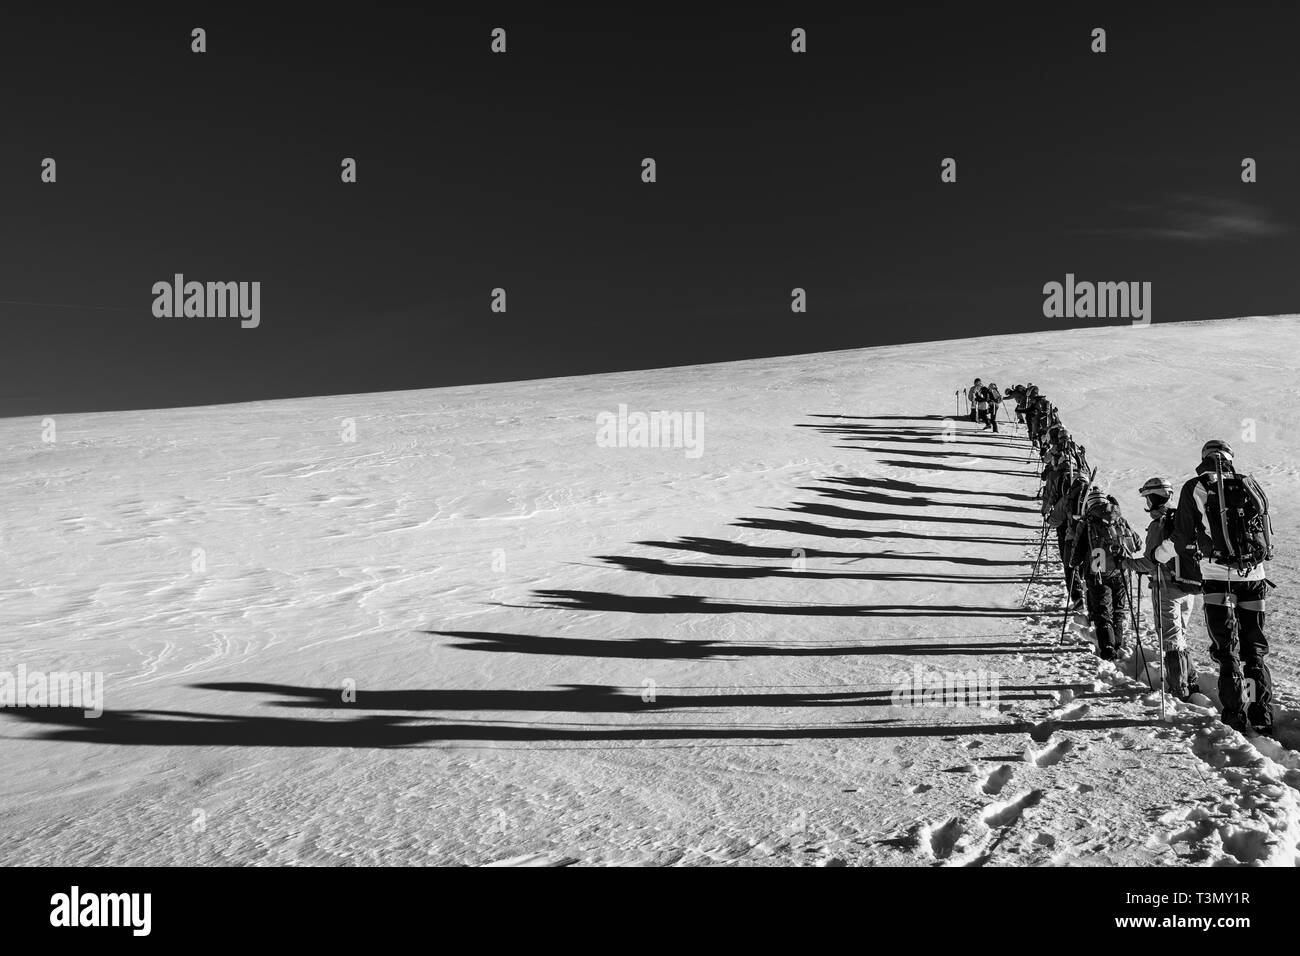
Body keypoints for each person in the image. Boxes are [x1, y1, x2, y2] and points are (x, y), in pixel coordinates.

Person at [1170, 440, 1275, 734]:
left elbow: (1181, 537)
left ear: (1204, 458)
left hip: (1218, 576)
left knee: (1227, 650)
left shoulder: (1195, 487)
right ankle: (1261, 715)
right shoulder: (1246, 483)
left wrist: (1194, 557)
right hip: (1254, 576)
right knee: (1253, 649)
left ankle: (1234, 714)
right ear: (1231, 458)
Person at [1123, 477, 1201, 701]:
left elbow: (1150, 562)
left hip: (1166, 587)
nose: (1148, 504)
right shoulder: (1183, 520)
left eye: (1148, 499)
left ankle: (1178, 690)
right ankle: (1191, 682)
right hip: (1187, 586)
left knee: (1170, 639)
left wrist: (1126, 563)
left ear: (1156, 498)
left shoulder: (1160, 524)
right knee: (1180, 636)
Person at [1068, 486, 1141, 660]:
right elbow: (1137, 543)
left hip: (1098, 572)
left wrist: (1073, 563)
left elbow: (1077, 552)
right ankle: (1116, 643)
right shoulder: (1119, 518)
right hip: (1121, 570)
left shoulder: (1086, 523)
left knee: (1103, 611)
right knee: (1118, 610)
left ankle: (1108, 648)